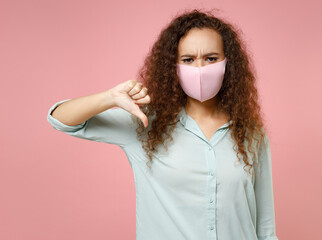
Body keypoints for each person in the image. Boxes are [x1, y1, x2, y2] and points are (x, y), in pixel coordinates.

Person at [47, 9, 279, 240]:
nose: (199, 69)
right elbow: (60, 119)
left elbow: (265, 229)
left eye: (211, 58)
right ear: (173, 67)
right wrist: (110, 98)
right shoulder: (145, 124)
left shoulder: (251, 134)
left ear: (228, 64)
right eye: (188, 60)